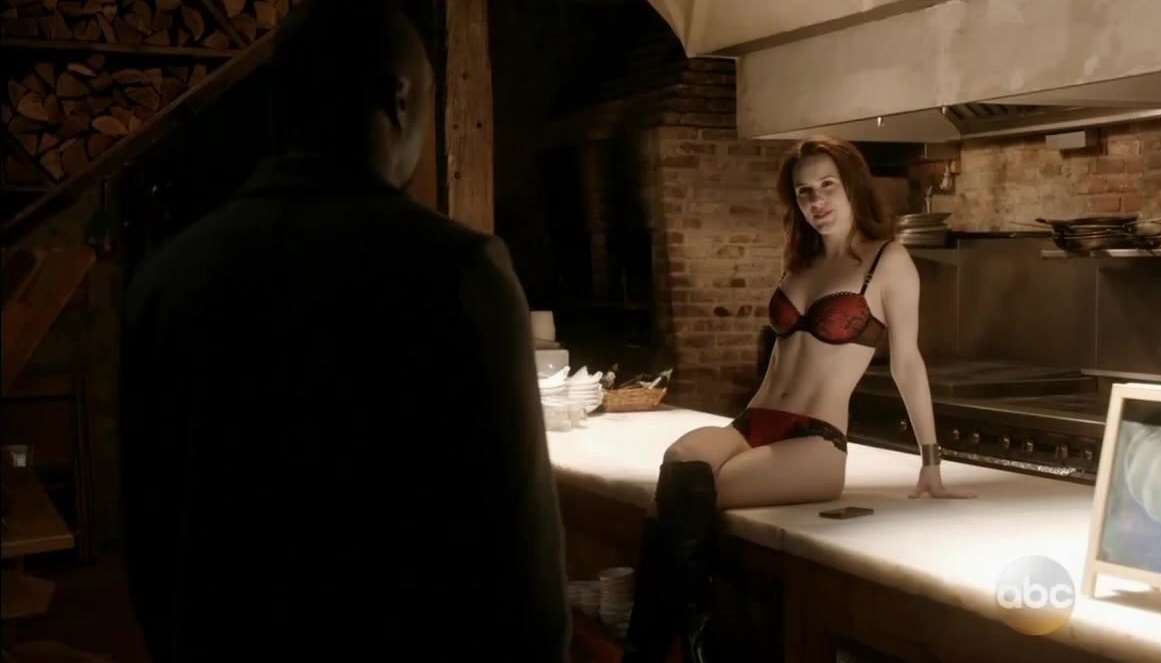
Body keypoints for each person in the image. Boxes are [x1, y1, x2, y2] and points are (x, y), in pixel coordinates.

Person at [119, 2, 568, 661]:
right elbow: (525, 568)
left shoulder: (167, 279)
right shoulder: (459, 274)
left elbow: (148, 546)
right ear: (398, 99)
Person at [624, 137, 976, 662]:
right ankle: (683, 643)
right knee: (680, 460)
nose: (817, 201)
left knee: (687, 496)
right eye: (804, 192)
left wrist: (931, 461)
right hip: (751, 423)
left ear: (852, 187)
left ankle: (668, 648)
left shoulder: (889, 261)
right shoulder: (801, 262)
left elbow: (907, 363)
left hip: (815, 439)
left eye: (828, 186)